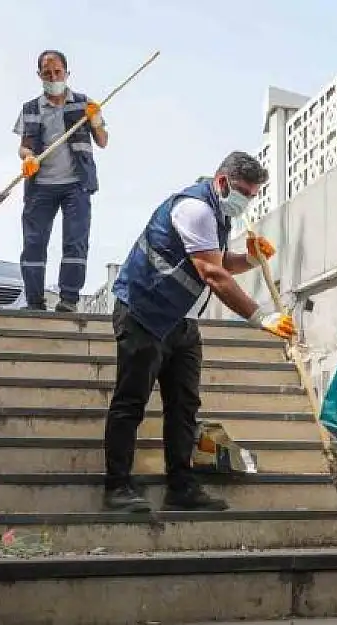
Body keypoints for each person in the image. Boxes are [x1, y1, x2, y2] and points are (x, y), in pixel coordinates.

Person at [102, 151, 296, 512]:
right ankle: (117, 487)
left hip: (182, 321)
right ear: (222, 181)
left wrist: (250, 260)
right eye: (243, 192)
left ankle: (181, 486)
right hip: (143, 312)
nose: (246, 201)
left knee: (185, 405)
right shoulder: (195, 209)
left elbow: (217, 263)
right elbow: (212, 274)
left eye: (253, 195)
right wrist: (259, 317)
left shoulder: (218, 213)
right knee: (131, 402)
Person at [14, 49, 109, 313]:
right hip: (40, 185)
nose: (53, 77)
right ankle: (35, 302)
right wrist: (29, 156)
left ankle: (68, 300)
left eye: (58, 72)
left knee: (75, 241)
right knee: (34, 242)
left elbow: (102, 142)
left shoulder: (83, 104)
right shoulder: (30, 109)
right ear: (39, 75)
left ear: (67, 73)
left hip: (76, 185)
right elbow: (23, 147)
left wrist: (96, 120)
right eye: (47, 73)